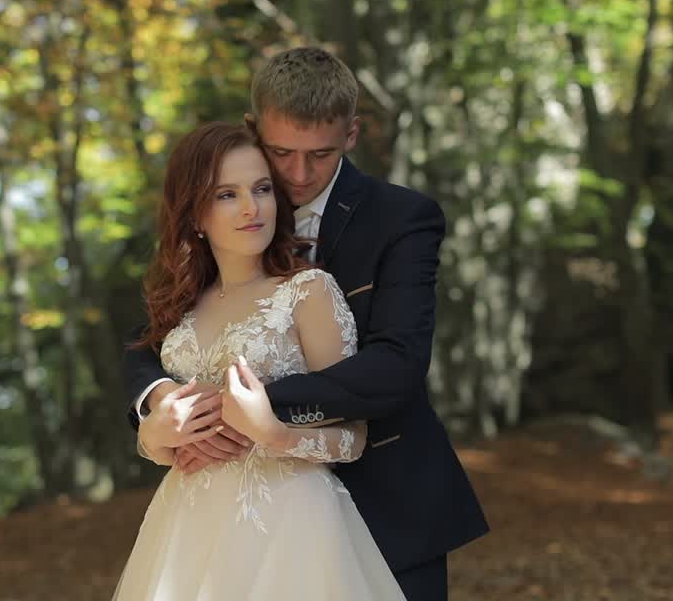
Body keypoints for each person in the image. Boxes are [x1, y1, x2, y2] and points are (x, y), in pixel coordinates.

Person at [123, 47, 488, 601]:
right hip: (222, 525)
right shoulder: (218, 215)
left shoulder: (402, 219)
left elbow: (397, 364)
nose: (297, 174)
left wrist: (241, 411)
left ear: (351, 135)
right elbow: (149, 339)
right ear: (254, 129)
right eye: (280, 153)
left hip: (387, 499)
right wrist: (159, 408)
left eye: (319, 154)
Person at [113, 122, 405, 599]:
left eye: (262, 188)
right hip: (186, 528)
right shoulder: (178, 308)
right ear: (194, 215)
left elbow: (353, 437)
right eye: (227, 194)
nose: (252, 208)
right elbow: (162, 420)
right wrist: (153, 437)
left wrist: (273, 432)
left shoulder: (307, 292)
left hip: (291, 525)